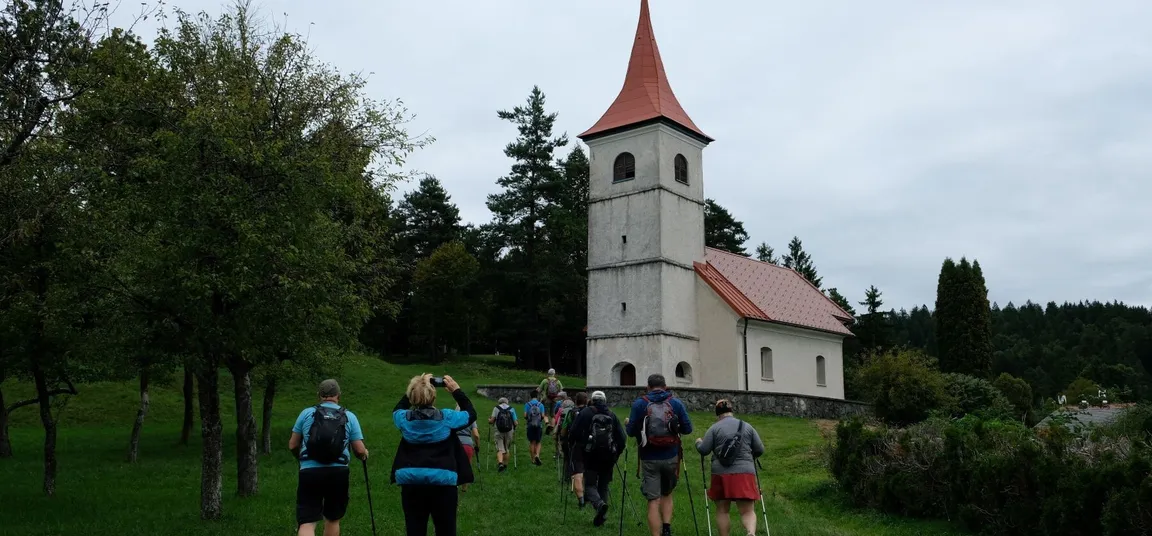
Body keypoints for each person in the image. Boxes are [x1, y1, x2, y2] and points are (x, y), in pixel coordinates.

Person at [391, 374, 476, 536]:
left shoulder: (404, 419)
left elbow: (397, 410)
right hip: (443, 481)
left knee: (415, 529)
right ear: (434, 397)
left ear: (412, 396)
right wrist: (456, 391)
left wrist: (416, 387)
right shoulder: (447, 417)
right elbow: (471, 414)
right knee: (446, 530)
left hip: (411, 481)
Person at [289, 379, 368, 536]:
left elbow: (292, 444)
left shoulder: (306, 413)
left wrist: (301, 459)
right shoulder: (349, 416)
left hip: (309, 472)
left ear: (319, 395)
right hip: (338, 472)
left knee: (307, 522)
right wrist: (364, 454)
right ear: (338, 395)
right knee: (332, 519)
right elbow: (359, 450)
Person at [626, 374, 694, 536]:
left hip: (649, 457)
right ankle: (667, 528)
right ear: (665, 386)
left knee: (653, 499)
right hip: (671, 456)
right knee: (667, 493)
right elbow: (688, 429)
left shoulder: (640, 404)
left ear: (648, 387)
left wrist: (629, 424)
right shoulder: (675, 403)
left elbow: (630, 432)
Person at [695, 400, 765, 536]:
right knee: (747, 511)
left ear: (717, 413)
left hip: (721, 474)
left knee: (722, 510)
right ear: (732, 411)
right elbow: (760, 449)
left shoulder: (714, 428)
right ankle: (751, 532)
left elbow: (704, 450)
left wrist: (698, 442)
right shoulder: (747, 426)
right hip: (745, 473)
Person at [568, 390, 626, 527]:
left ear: (592, 400)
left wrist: (573, 447)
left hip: (590, 455)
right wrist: (616, 453)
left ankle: (599, 505)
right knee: (604, 485)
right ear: (605, 401)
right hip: (608, 456)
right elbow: (622, 438)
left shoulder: (585, 413)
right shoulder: (612, 415)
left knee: (589, 485)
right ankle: (601, 517)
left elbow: (574, 432)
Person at [559, 392, 589, 507]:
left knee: (577, 472)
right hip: (590, 445)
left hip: (576, 445)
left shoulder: (571, 413)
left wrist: (563, 438)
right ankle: (591, 494)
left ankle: (581, 499)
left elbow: (564, 429)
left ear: (576, 401)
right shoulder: (591, 411)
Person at [454, 404, 481, 492]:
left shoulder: (453, 418)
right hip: (467, 443)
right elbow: (476, 435)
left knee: (455, 465)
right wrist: (477, 446)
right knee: (467, 466)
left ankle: (455, 485)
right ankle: (464, 488)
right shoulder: (470, 418)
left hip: (455, 443)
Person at [488, 397, 518, 472]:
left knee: (500, 448)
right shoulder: (511, 409)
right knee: (506, 448)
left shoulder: (496, 408)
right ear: (507, 402)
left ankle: (500, 463)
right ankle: (505, 465)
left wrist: (489, 420)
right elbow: (515, 423)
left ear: (499, 402)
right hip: (509, 431)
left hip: (499, 430)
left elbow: (492, 421)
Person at [524, 390, 548, 466]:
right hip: (539, 425)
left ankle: (533, 459)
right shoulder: (540, 405)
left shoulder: (527, 404)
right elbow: (543, 416)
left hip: (530, 425)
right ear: (537, 396)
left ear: (530, 396)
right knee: (538, 441)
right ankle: (537, 455)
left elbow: (525, 416)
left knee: (532, 442)